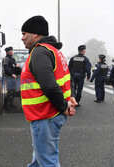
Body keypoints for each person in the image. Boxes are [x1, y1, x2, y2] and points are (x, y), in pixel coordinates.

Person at [20, 16, 77, 167]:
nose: (22, 38)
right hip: (47, 115)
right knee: (39, 160)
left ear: (36, 34)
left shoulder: (39, 52)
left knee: (47, 162)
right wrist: (69, 99)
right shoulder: (53, 51)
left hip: (44, 115)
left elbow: (50, 85)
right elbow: (63, 79)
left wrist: (64, 106)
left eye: (25, 33)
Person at [2, 46, 20, 111]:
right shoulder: (6, 59)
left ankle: (11, 104)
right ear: (8, 52)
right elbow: (6, 68)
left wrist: (17, 68)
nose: (12, 52)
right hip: (9, 77)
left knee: (13, 92)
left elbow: (15, 67)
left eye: (12, 51)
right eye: (11, 51)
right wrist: (11, 74)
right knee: (9, 92)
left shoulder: (13, 59)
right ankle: (6, 106)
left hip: (13, 77)